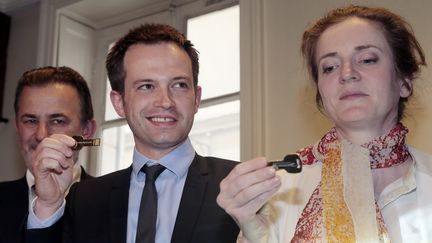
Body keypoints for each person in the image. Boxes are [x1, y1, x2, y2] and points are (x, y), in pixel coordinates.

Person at [217, 4, 432, 243]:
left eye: (368, 60)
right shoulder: (281, 193)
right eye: (330, 67)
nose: (347, 73)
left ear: (404, 81)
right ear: (320, 91)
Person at [27, 23, 239, 243]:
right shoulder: (86, 200)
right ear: (119, 103)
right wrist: (49, 205)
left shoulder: (240, 185)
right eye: (147, 86)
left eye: (179, 85)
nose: (165, 102)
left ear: (196, 98)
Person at [0, 66, 96, 243]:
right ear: (17, 127)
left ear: (87, 130)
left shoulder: (116, 204)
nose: (42, 135)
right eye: (30, 121)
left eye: (57, 121)